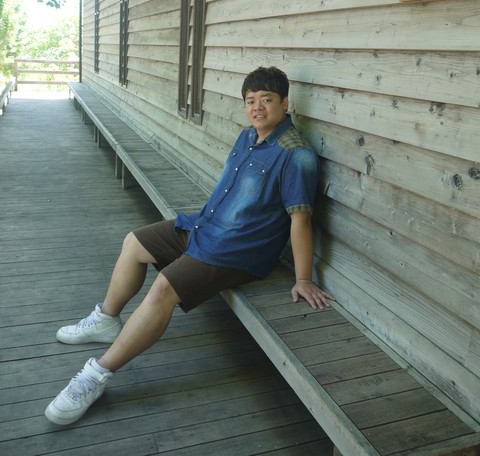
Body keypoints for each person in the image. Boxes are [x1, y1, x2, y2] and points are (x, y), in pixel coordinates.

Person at [45, 66, 335, 425]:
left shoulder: (296, 155)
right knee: (134, 242)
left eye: (266, 100)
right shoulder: (247, 137)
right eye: (250, 101)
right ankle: (106, 319)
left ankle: (96, 375)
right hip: (204, 227)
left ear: (285, 103)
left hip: (236, 252)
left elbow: (300, 220)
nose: (257, 107)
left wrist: (303, 279)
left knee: (162, 288)